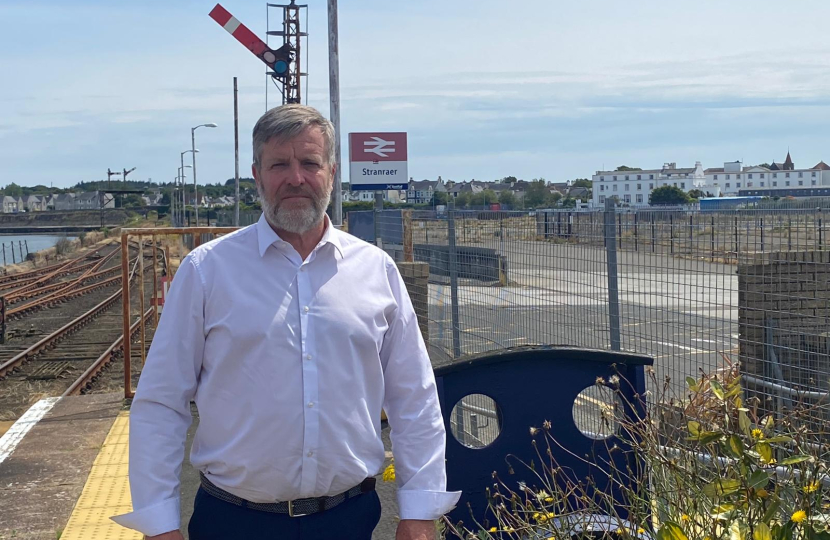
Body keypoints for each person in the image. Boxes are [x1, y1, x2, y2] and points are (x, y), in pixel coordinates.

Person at [112, 104, 460, 539]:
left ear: (331, 173)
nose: (295, 177)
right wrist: (157, 522)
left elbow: (415, 398)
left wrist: (420, 509)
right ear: (257, 175)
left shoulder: (376, 270)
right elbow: (162, 402)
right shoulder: (206, 272)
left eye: (310, 163)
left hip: (349, 521)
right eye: (280, 164)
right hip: (232, 523)